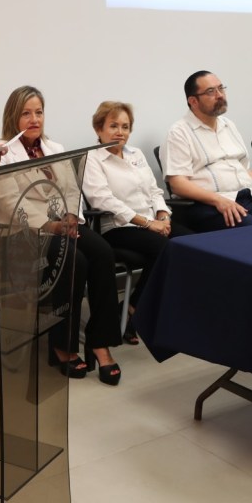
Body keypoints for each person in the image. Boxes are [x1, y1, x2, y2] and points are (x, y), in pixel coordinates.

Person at [0, 86, 124, 385]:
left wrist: (70, 217)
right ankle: (62, 345)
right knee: (74, 260)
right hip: (22, 233)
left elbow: (70, 190)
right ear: (13, 116)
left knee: (103, 252)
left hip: (61, 226)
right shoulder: (1, 153)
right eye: (26, 113)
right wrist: (49, 225)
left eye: (39, 112)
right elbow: (11, 203)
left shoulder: (55, 148)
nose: (34, 118)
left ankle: (99, 342)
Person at [83, 101, 192, 345]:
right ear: (99, 129)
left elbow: (154, 191)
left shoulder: (136, 155)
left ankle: (133, 308)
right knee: (166, 250)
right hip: (118, 227)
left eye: (125, 126)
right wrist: (147, 223)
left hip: (152, 222)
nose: (120, 132)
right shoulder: (92, 158)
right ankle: (135, 311)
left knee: (192, 244)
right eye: (113, 126)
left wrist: (163, 216)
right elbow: (103, 200)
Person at [161, 71, 252, 232]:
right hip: (206, 204)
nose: (220, 95)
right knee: (251, 227)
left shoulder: (228, 125)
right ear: (193, 101)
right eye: (211, 91)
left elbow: (242, 166)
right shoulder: (179, 132)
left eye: (221, 88)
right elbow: (178, 185)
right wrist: (218, 200)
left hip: (248, 196)